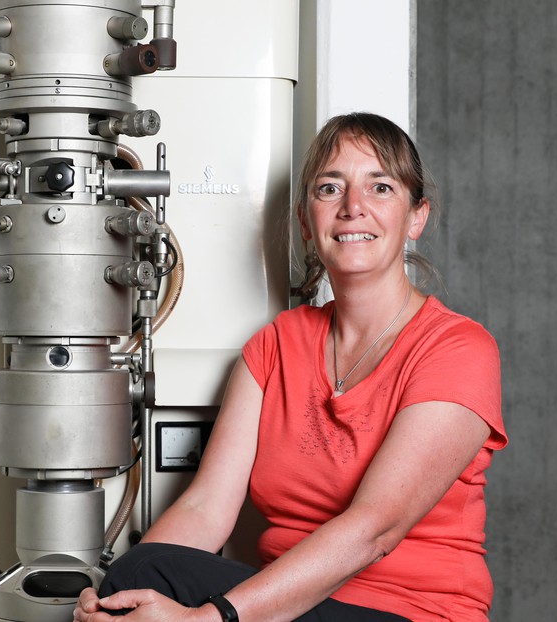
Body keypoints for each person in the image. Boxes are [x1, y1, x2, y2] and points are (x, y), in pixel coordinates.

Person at [74, 112, 507, 622]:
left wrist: (212, 620)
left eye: (381, 187)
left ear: (417, 217)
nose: (353, 208)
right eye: (330, 188)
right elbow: (205, 508)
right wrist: (113, 600)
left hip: (412, 613)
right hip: (286, 609)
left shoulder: (457, 349)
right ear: (306, 220)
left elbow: (375, 529)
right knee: (140, 576)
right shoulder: (276, 346)